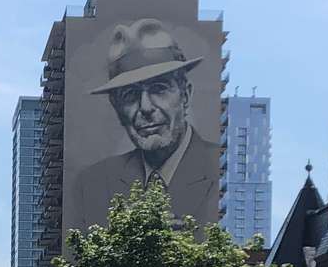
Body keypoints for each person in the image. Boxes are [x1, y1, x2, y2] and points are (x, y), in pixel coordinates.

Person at [68, 18, 223, 232]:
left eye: (159, 88)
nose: (145, 107)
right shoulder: (92, 184)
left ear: (185, 95)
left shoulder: (222, 170)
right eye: (130, 95)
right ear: (116, 107)